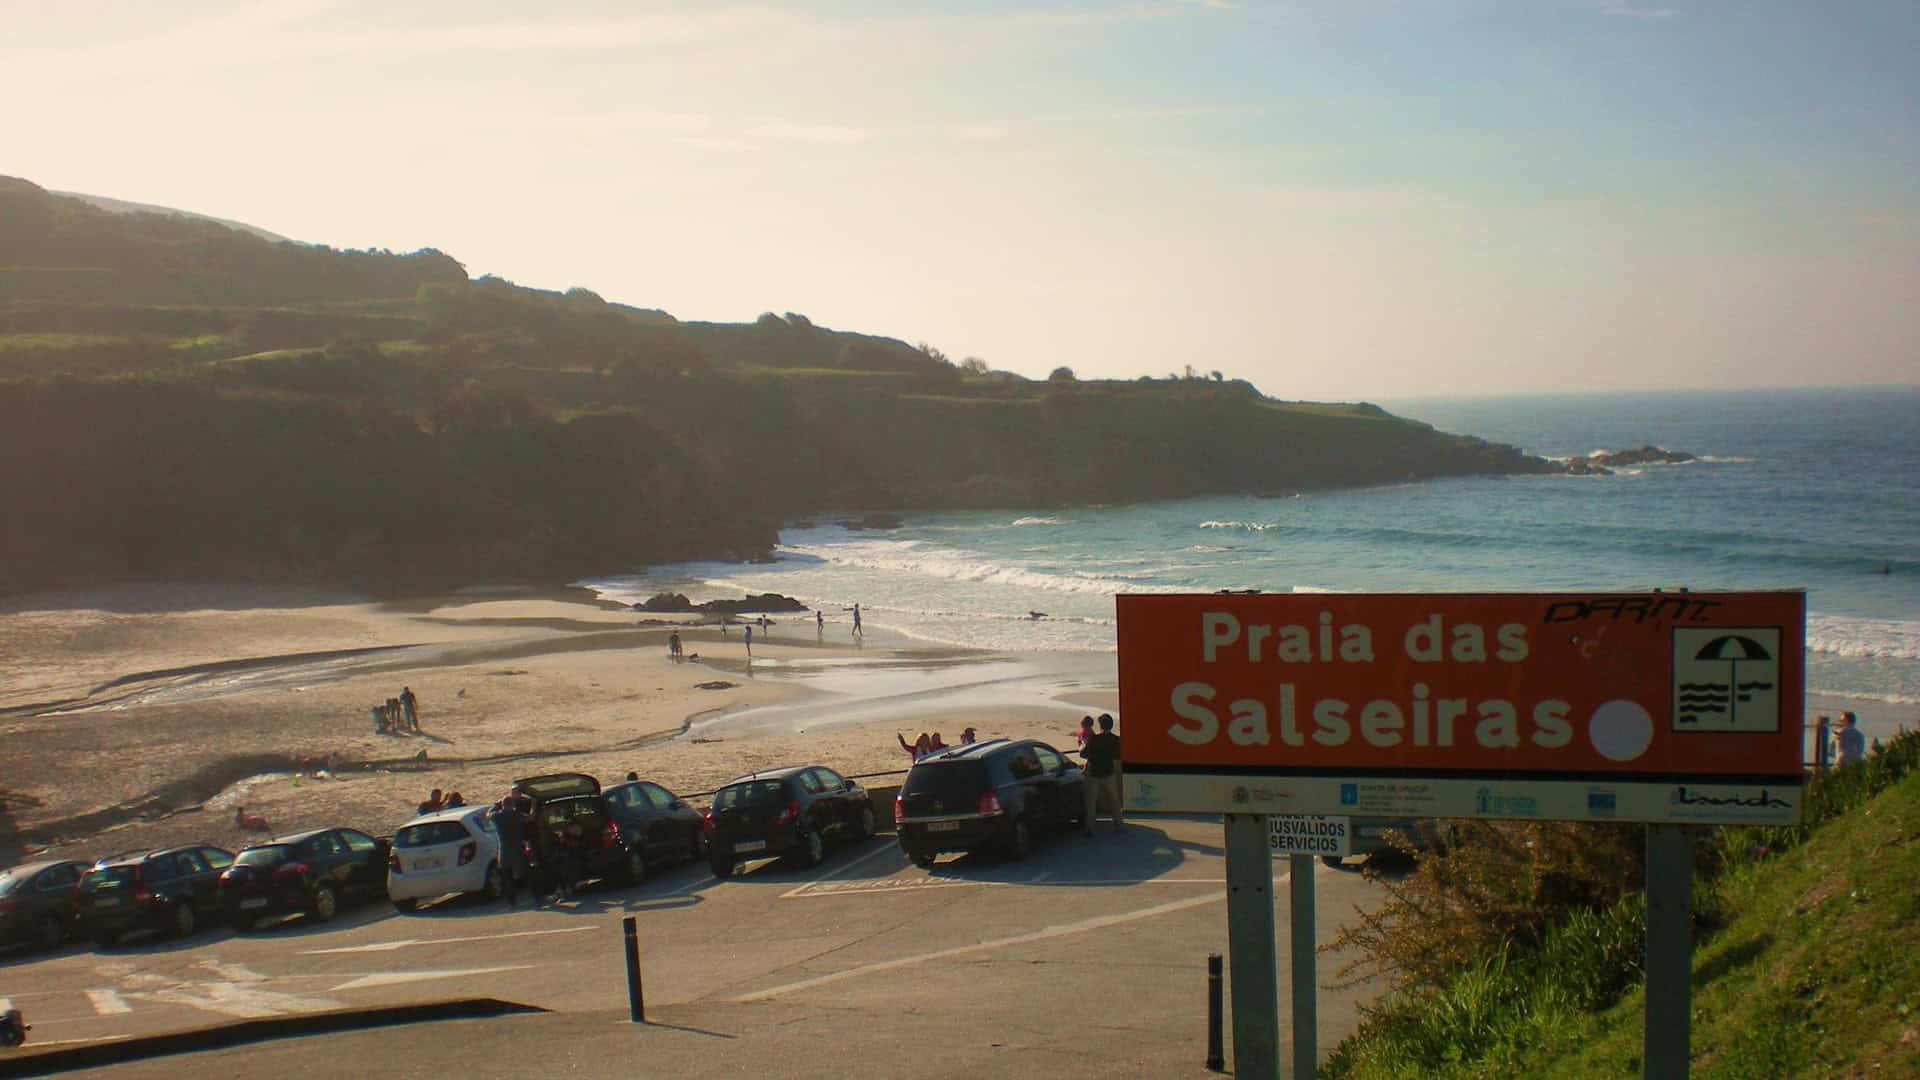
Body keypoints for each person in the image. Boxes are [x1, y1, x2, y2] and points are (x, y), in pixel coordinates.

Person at [1079, 713, 1123, 835]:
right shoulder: (1115, 739)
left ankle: (1090, 829)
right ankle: (1119, 825)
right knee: (1114, 800)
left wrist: (1082, 745)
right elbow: (1117, 755)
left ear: (1100, 725)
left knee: (1091, 802)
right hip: (1108, 772)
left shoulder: (1094, 739)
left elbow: (1083, 754)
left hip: (1093, 773)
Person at [490, 791, 530, 909]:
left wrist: (495, 805)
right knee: (526, 872)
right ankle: (535, 894)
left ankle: (511, 902)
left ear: (502, 805)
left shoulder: (497, 816)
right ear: (512, 805)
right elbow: (529, 818)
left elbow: (488, 814)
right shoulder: (517, 815)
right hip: (518, 849)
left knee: (507, 877)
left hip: (505, 850)